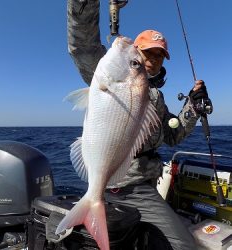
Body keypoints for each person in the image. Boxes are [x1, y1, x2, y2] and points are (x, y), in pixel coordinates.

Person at [67, 1, 210, 249]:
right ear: (135, 51)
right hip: (123, 187)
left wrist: (193, 107)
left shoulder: (155, 98)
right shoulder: (108, 72)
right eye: (147, 53)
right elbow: (81, 45)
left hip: (143, 187)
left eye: (159, 56)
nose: (153, 60)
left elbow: (172, 136)